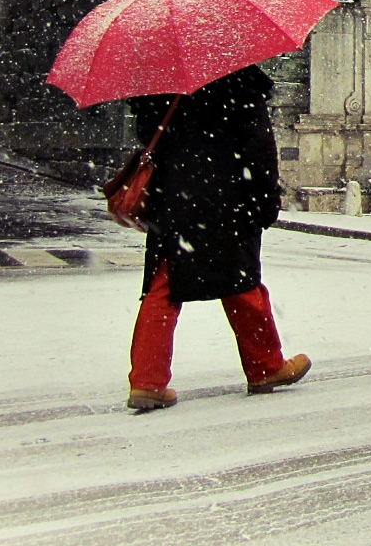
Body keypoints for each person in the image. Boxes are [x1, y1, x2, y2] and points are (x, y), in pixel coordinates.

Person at [125, 65, 311, 410]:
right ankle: (265, 366)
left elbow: (147, 134)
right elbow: (259, 147)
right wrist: (266, 198)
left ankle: (148, 382)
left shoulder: (157, 82)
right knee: (242, 283)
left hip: (173, 197)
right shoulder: (237, 77)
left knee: (163, 286)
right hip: (228, 197)